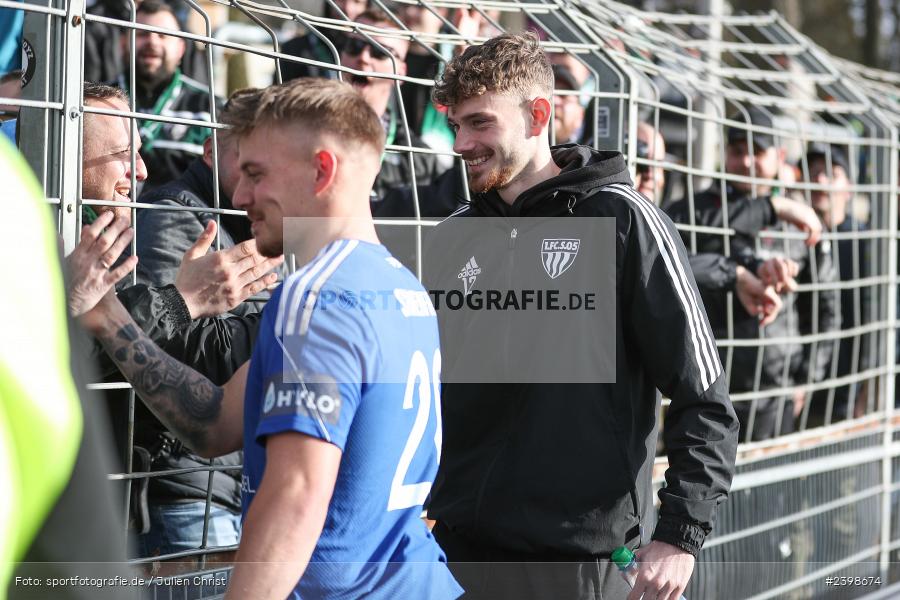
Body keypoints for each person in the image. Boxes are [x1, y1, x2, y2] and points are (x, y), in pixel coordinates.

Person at [75, 78, 462, 600]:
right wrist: (106, 315)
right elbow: (212, 424)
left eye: (257, 175)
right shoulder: (400, 286)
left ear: (322, 171)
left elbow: (296, 497)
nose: (239, 196)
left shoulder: (317, 297)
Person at [424, 32, 738, 600]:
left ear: (538, 114)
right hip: (458, 553)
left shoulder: (624, 221)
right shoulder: (453, 236)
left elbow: (704, 398)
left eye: (480, 123)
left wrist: (680, 535)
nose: (462, 143)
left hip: (580, 563)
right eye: (456, 127)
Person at [74, 82, 281, 563]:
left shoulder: (263, 224)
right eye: (123, 154)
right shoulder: (172, 214)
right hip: (175, 485)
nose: (141, 171)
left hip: (220, 477)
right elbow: (170, 350)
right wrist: (181, 302)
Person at [665, 108, 839, 441]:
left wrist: (806, 380)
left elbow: (824, 309)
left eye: (756, 152)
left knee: (773, 490)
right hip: (706, 386)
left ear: (780, 156)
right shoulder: (693, 211)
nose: (746, 162)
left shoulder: (800, 224)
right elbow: (670, 265)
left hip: (776, 393)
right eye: (737, 151)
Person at [118, 0, 220, 194]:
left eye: (163, 36)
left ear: (181, 48)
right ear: (124, 43)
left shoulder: (209, 107)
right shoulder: (98, 100)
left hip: (183, 221)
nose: (152, 41)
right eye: (142, 33)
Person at [803, 144, 872, 425]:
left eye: (831, 172)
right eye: (814, 171)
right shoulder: (793, 239)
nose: (820, 179)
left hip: (852, 386)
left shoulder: (868, 243)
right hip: (801, 385)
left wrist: (869, 386)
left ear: (849, 187)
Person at [278, 0, 368, 82]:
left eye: (357, 1)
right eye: (341, 0)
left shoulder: (372, 54)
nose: (348, 8)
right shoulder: (294, 48)